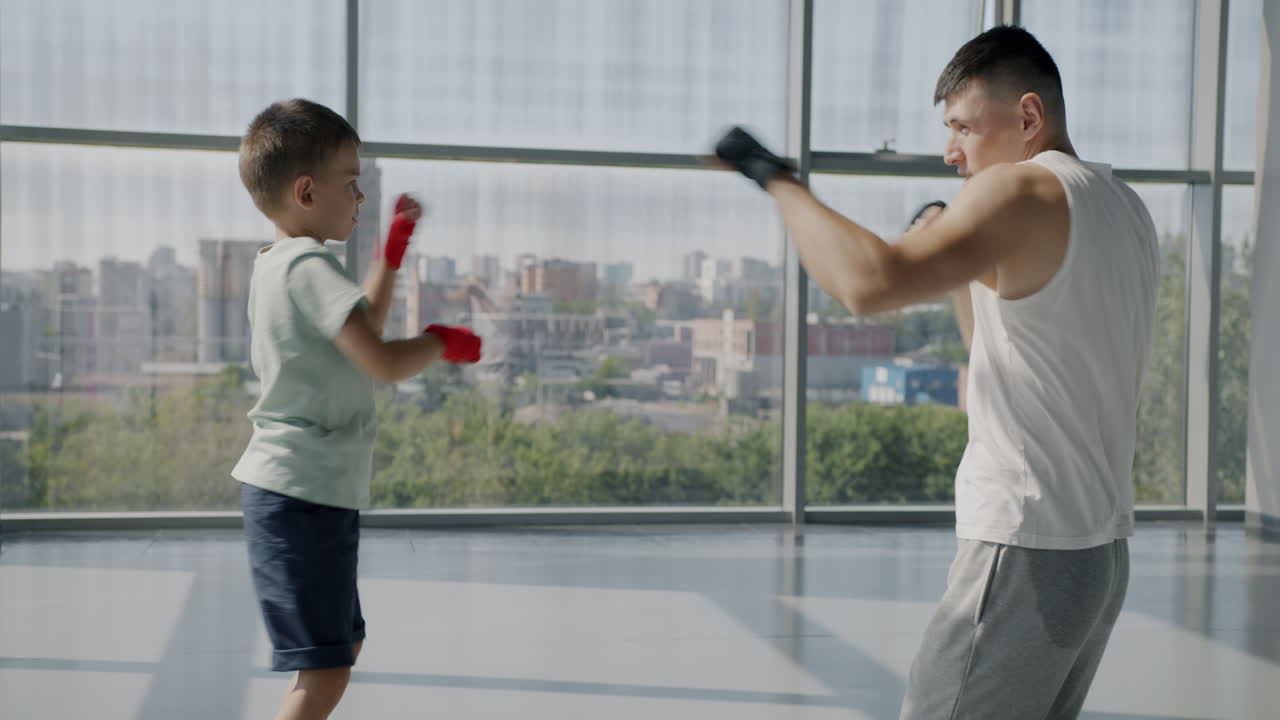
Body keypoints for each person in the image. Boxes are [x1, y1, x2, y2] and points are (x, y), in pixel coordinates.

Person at [715, 25, 1158, 719]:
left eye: (963, 127)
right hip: (1096, 555)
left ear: (1029, 117)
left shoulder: (1022, 190)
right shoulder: (1123, 208)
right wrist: (961, 258)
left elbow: (869, 284)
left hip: (1024, 547)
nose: (951, 152)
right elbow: (995, 355)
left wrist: (774, 178)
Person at [231, 98, 482, 720]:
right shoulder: (308, 265)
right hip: (301, 496)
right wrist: (440, 342)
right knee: (325, 669)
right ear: (307, 192)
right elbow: (382, 361)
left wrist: (390, 255)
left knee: (339, 650)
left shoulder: (280, 264)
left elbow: (360, 324)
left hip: (307, 493)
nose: (361, 196)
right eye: (351, 182)